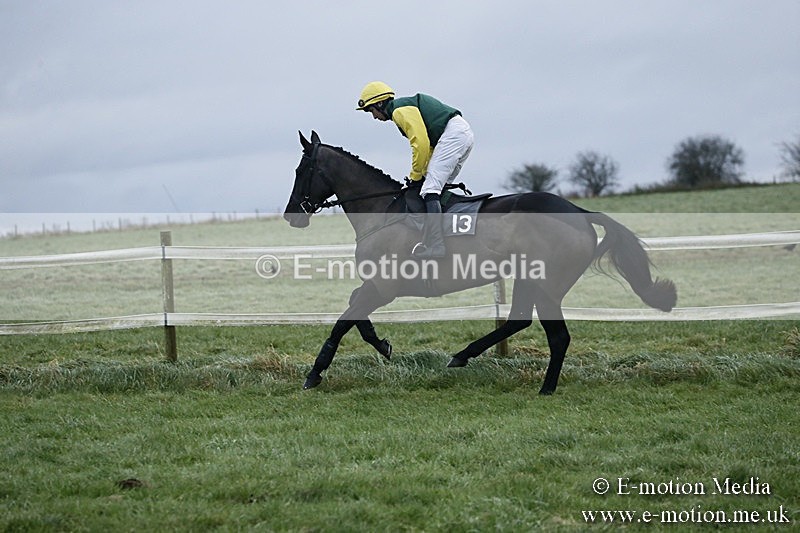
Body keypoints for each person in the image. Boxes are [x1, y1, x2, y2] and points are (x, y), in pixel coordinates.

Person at [357, 81, 474, 258]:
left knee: (430, 189)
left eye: (371, 110)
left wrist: (415, 176)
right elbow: (428, 146)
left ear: (380, 103)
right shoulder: (403, 108)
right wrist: (422, 173)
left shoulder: (399, 110)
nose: (373, 116)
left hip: (453, 135)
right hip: (459, 134)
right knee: (435, 187)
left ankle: (437, 245)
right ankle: (448, 236)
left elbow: (420, 144)